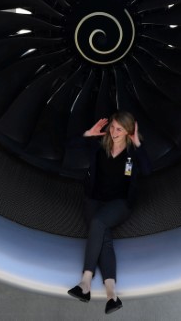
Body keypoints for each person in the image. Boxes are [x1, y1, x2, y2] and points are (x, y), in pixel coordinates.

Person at [67, 110, 151, 315]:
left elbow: (148, 170)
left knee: (97, 224)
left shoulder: (133, 154)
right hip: (94, 199)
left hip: (119, 203)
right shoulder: (100, 146)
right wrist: (88, 134)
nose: (113, 132)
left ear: (129, 131)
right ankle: (111, 293)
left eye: (119, 129)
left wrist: (138, 144)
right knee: (103, 236)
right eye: (112, 127)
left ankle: (86, 281)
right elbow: (70, 148)